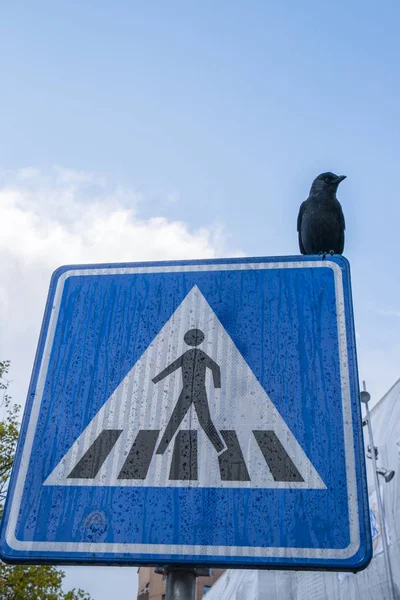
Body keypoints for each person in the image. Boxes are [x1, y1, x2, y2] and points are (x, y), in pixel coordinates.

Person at [153, 328, 225, 454]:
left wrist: (217, 387)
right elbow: (215, 367)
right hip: (192, 391)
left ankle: (161, 450)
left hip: (194, 391)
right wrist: (156, 379)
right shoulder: (196, 354)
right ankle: (219, 447)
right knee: (196, 420)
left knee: (180, 420)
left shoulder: (194, 355)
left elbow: (171, 368)